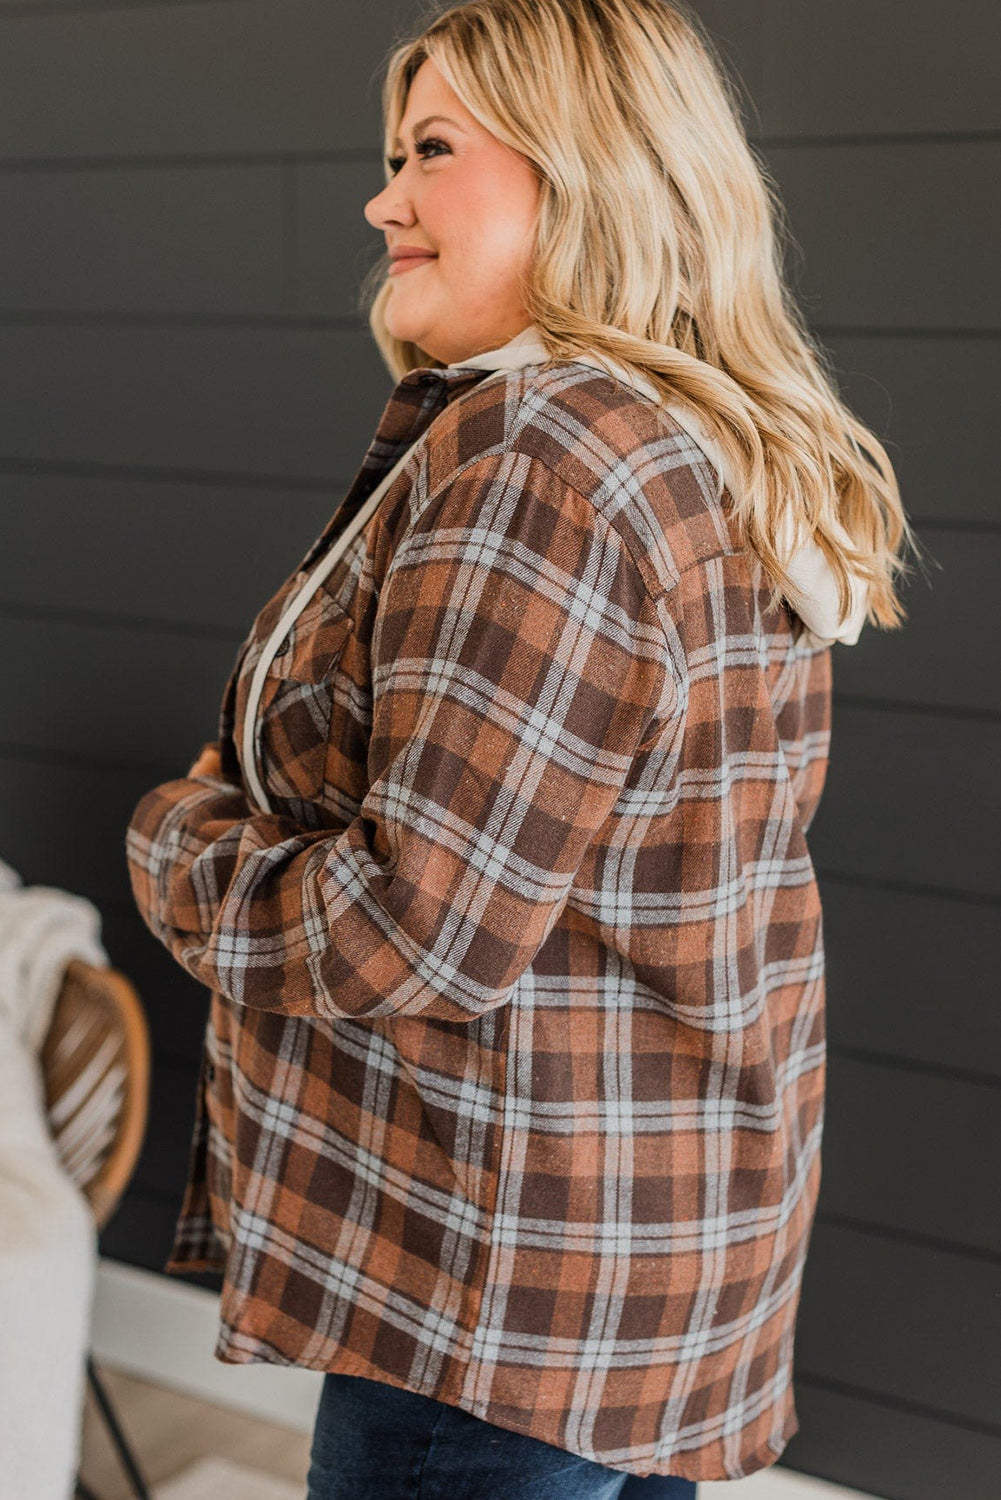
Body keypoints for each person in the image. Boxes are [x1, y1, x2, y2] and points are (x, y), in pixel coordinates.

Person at [125, 1, 918, 1495]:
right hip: (646, 1254)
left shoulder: (540, 466)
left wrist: (174, 845)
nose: (382, 199)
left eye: (431, 150)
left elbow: (412, 937)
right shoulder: (697, 447)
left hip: (491, 1294)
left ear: (586, 167)